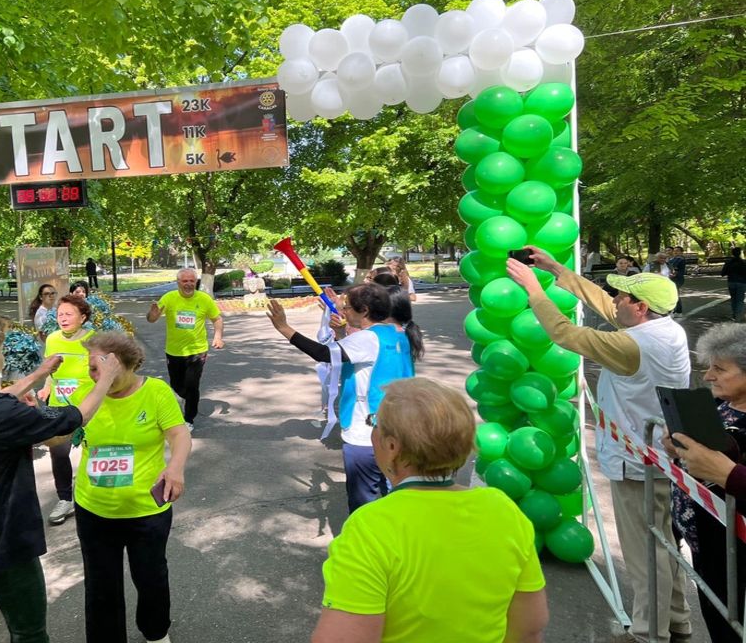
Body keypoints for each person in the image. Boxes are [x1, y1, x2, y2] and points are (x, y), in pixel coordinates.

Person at [506, 246, 692, 643]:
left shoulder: (630, 346)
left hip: (635, 462)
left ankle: (648, 633)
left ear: (640, 308)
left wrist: (533, 290)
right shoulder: (665, 329)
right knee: (662, 544)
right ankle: (677, 619)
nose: (615, 300)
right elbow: (606, 307)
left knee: (645, 554)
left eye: (623, 296)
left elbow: (564, 333)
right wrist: (557, 269)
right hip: (660, 458)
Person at [0, 310, 122, 643]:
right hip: (3, 544)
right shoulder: (1, 414)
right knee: (28, 634)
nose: (1, 358)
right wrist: (105, 379)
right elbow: (76, 417)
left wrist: (39, 374)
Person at [311, 378, 548, 643]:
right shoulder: (503, 509)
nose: (372, 431)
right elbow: (529, 628)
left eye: (374, 422)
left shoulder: (370, 525)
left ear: (392, 446)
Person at [72, 331, 192, 643]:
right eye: (91, 366)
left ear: (125, 365)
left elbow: (179, 434)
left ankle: (155, 632)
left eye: (100, 366)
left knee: (151, 576)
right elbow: (58, 433)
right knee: (100, 584)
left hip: (145, 510)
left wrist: (175, 467)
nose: (93, 373)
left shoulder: (156, 392)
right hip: (93, 509)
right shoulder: (86, 393)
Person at [267, 283, 414, 513]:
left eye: (346, 307)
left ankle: (365, 544)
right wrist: (342, 334)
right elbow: (355, 356)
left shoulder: (366, 339)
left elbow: (323, 354)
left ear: (364, 311)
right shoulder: (396, 333)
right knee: (391, 493)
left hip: (365, 434)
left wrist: (284, 328)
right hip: (397, 427)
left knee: (363, 501)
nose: (342, 311)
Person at [662, 324, 746, 643]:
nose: (708, 376)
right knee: (717, 614)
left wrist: (727, 475)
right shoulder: (717, 404)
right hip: (707, 540)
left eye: (720, 369)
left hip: (734, 552)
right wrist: (677, 450)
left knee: (732, 623)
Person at [36, 295, 96, 526]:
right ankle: (65, 498)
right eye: (60, 314)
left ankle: (93, 496)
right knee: (58, 453)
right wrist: (45, 388)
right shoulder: (52, 339)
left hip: (89, 407)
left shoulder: (94, 340)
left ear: (83, 317)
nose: (63, 318)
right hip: (59, 407)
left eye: (69, 314)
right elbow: (52, 371)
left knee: (95, 451)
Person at [146, 268, 224, 432]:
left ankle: (189, 418)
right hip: (174, 351)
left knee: (192, 385)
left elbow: (217, 319)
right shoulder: (169, 298)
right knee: (177, 385)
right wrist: (152, 314)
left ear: (196, 282)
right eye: (185, 281)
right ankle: (183, 399)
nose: (188, 284)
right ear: (178, 283)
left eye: (191, 281)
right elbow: (152, 319)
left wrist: (218, 336)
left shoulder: (204, 299)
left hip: (197, 350)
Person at [721, 248, 746, 322]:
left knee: (733, 299)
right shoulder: (743, 263)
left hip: (731, 282)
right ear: (740, 253)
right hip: (742, 283)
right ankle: (738, 316)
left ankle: (734, 314)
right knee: (740, 300)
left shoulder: (729, 262)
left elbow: (723, 273)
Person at [669, 246, 687, 314]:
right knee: (673, 294)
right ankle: (675, 310)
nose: (675, 252)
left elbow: (673, 267)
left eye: (677, 251)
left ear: (681, 252)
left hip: (677, 279)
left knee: (675, 294)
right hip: (673, 278)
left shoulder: (680, 259)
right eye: (674, 251)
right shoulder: (673, 258)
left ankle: (678, 311)